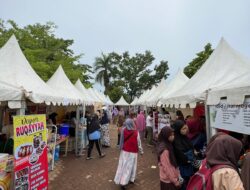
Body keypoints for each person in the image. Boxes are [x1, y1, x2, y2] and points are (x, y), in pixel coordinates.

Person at [114, 118, 143, 190]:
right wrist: (141, 151)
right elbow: (139, 143)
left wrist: (120, 147)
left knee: (123, 166)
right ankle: (125, 181)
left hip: (124, 151)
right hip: (133, 152)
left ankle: (123, 179)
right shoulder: (136, 132)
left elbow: (121, 140)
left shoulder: (123, 130)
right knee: (131, 166)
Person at [172, 120, 195, 190]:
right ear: (178, 130)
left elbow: (191, 148)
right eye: (183, 129)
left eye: (186, 128)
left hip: (189, 165)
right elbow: (179, 153)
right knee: (183, 184)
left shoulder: (185, 137)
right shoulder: (175, 140)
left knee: (189, 182)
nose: (186, 130)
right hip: (181, 166)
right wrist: (188, 159)